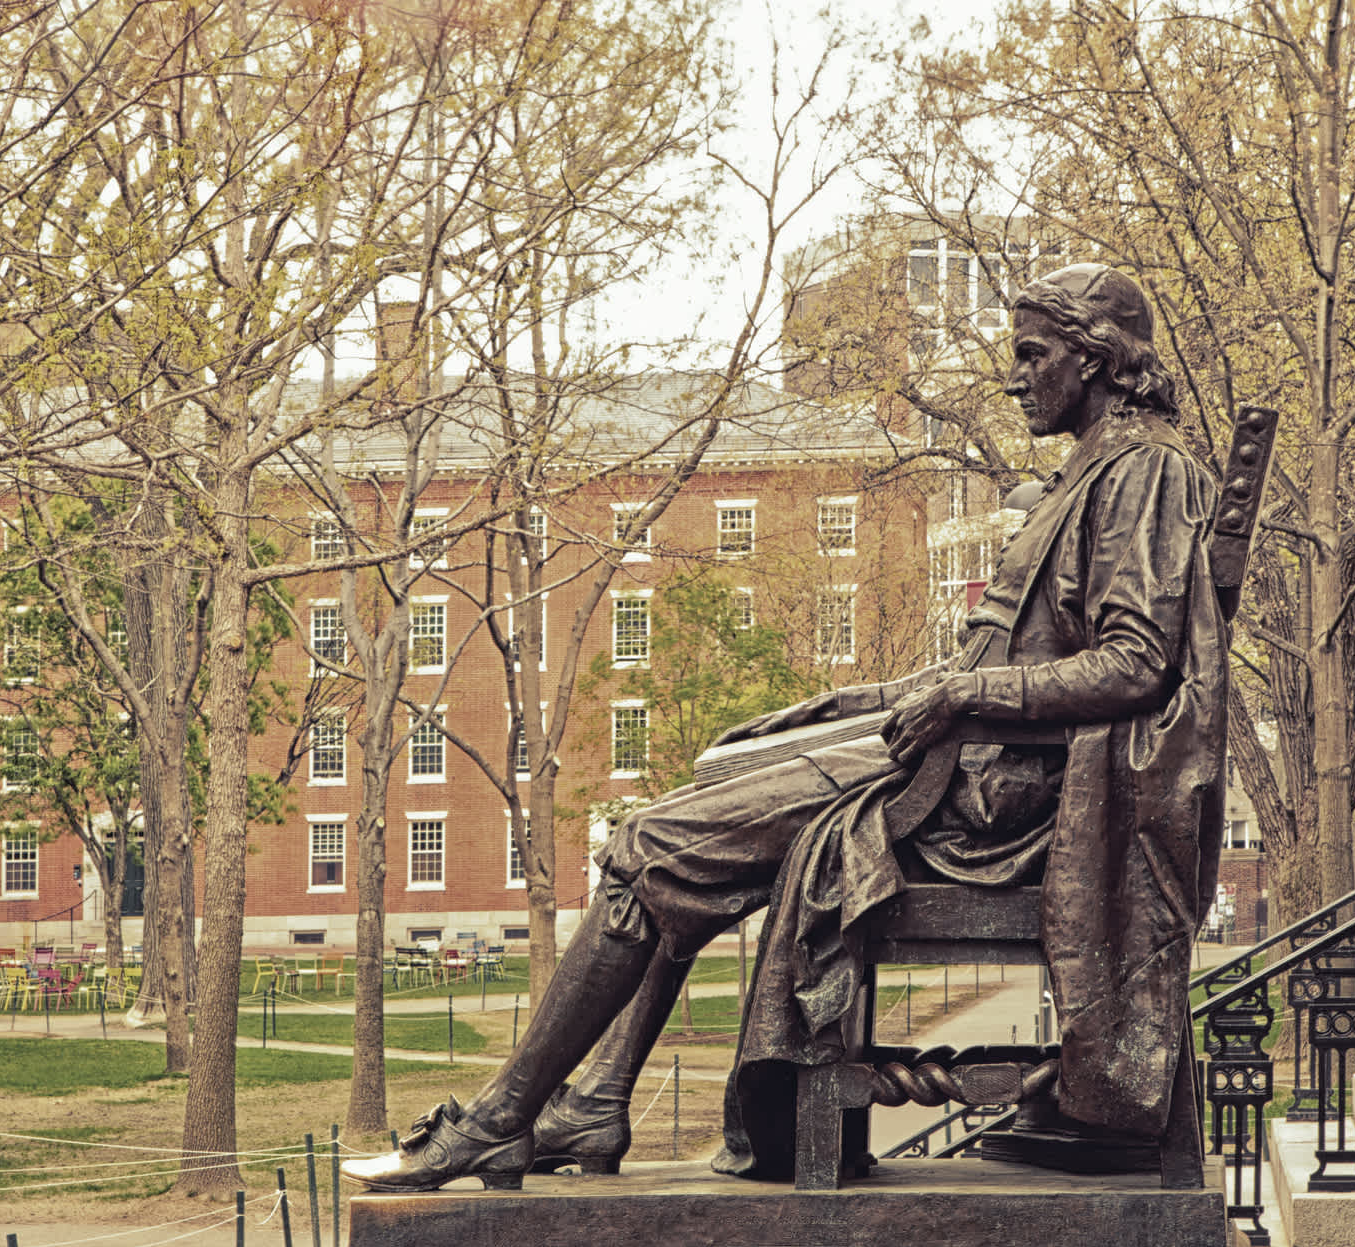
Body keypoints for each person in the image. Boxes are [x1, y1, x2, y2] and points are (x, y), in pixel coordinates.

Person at [343, 263, 1228, 1191]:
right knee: (706, 791)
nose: (1012, 378)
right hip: (967, 759)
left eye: (1030, 355)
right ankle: (599, 1100)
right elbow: (985, 665)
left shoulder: (1144, 474)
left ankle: (500, 1120)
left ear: (1093, 359)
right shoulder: (1092, 472)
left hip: (1000, 798)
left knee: (651, 846)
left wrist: (963, 704)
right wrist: (835, 706)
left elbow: (1136, 663)